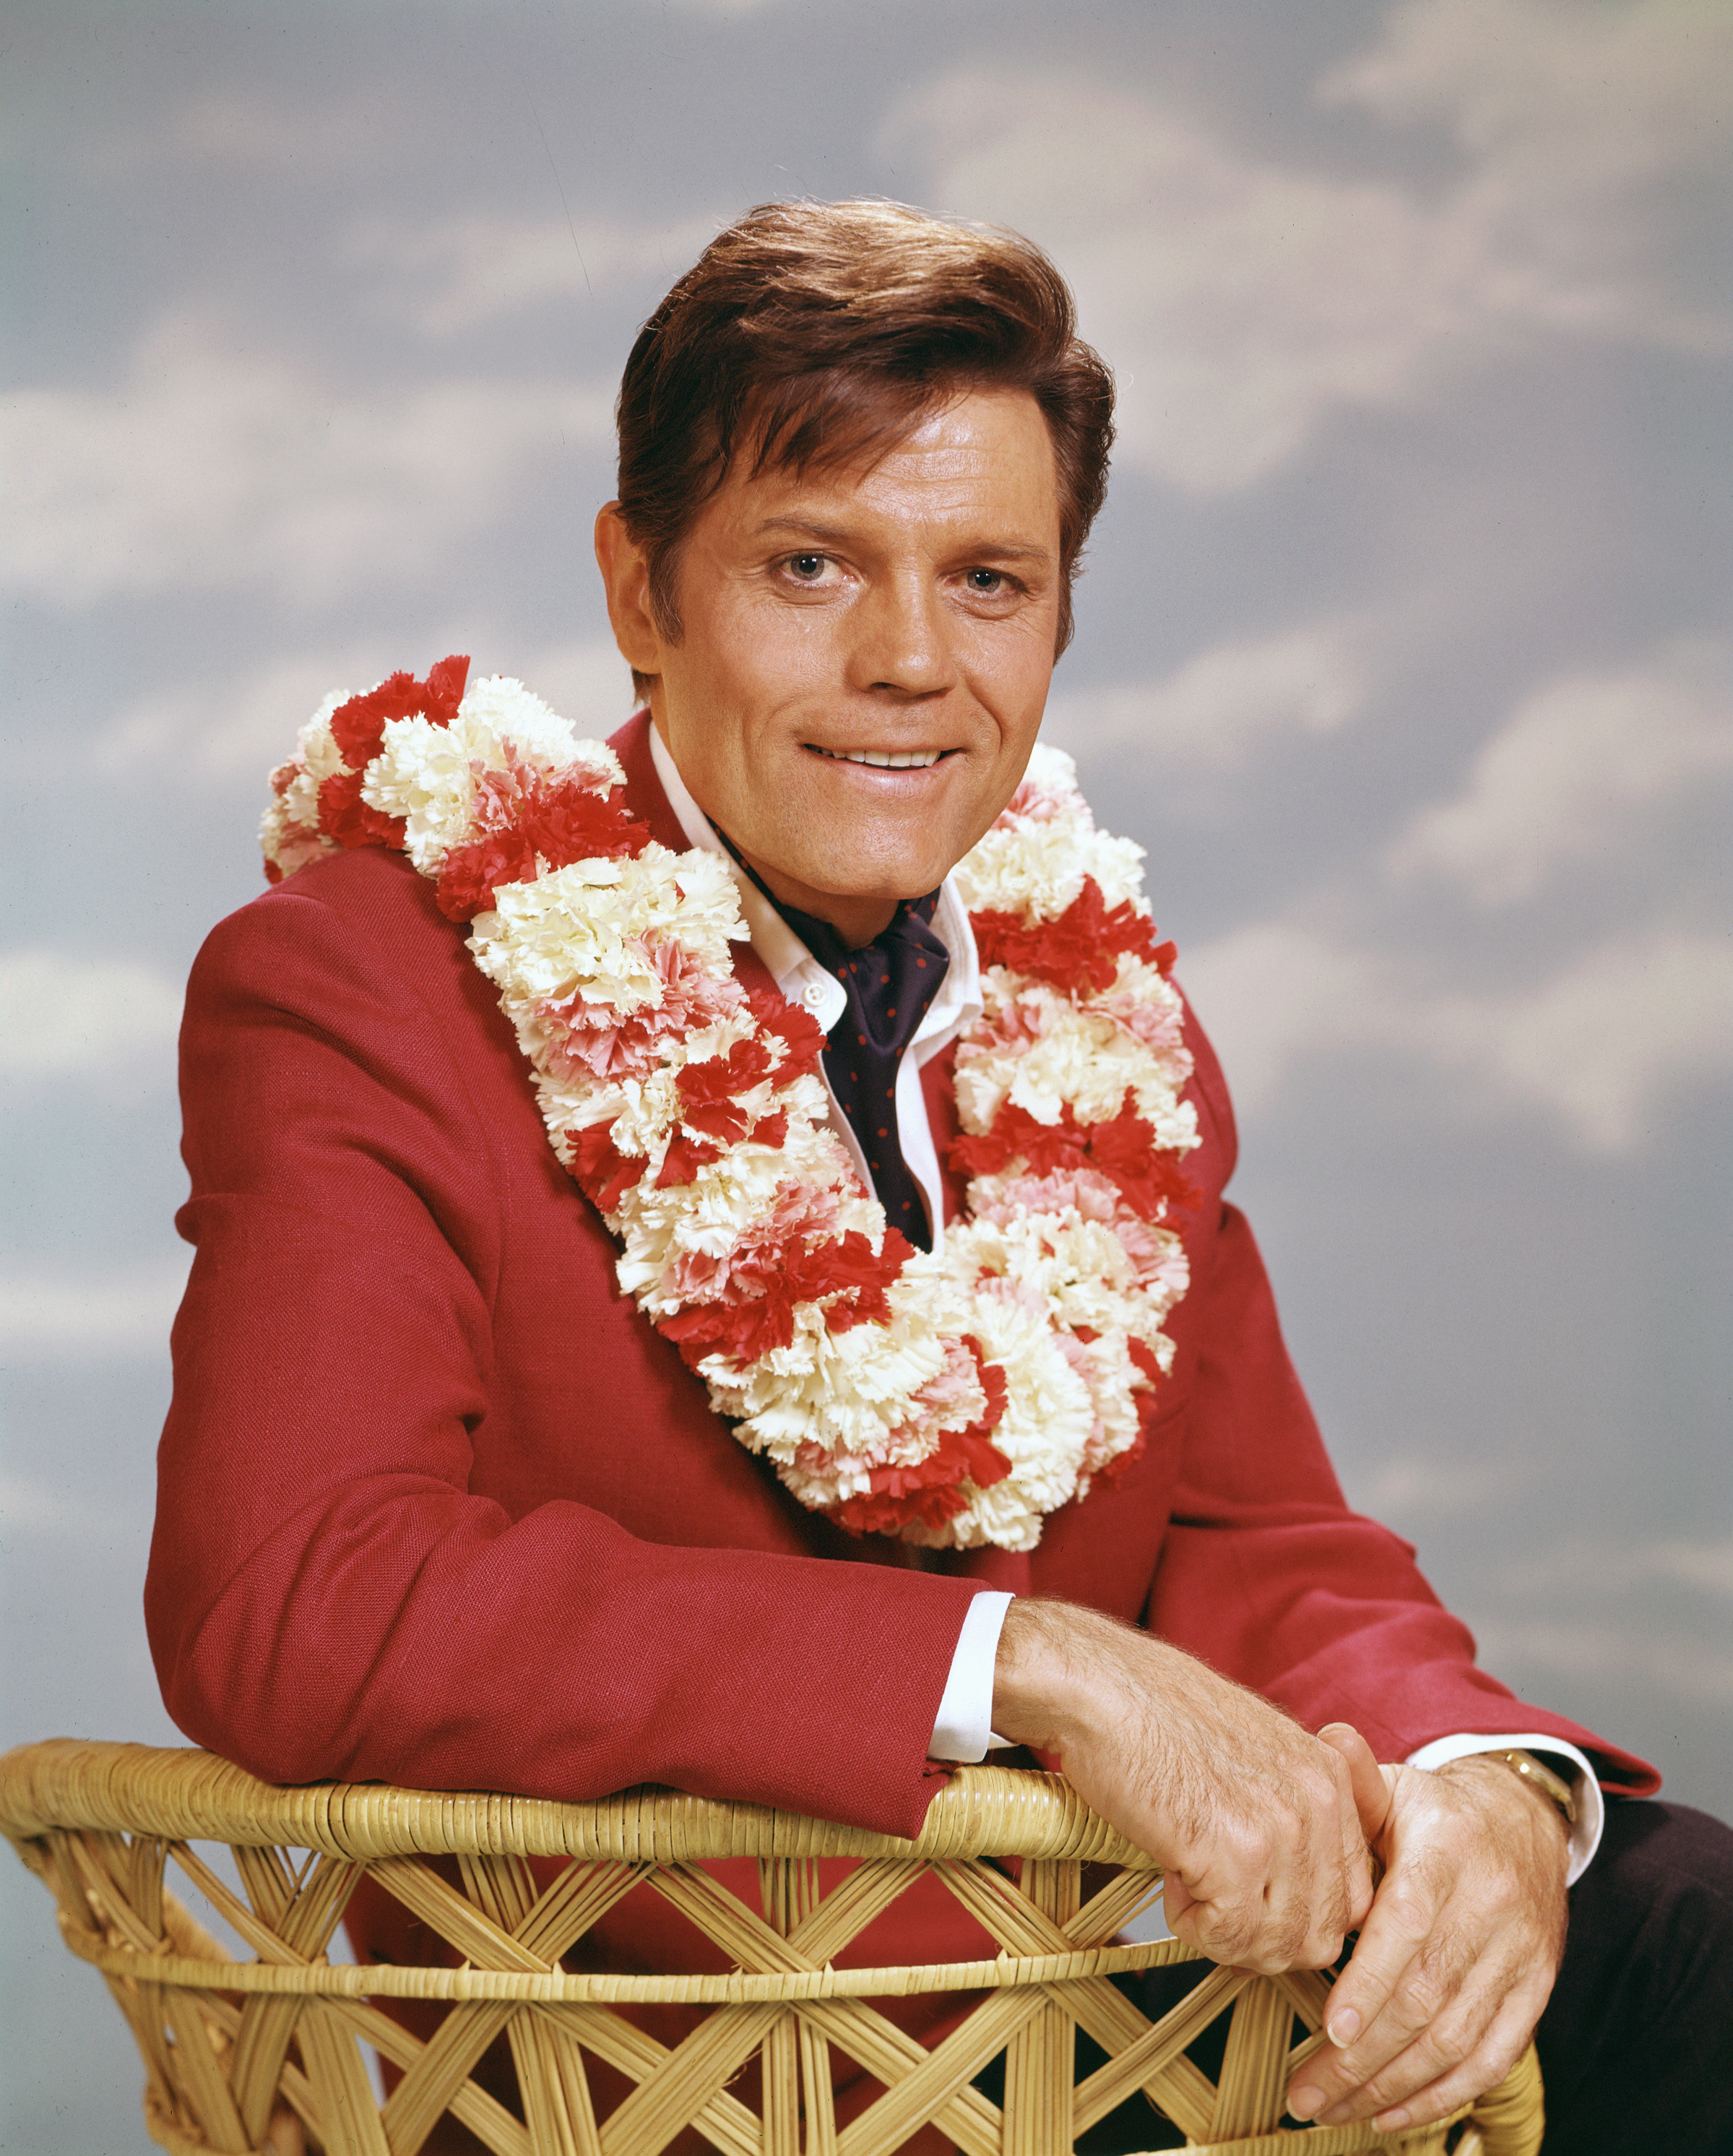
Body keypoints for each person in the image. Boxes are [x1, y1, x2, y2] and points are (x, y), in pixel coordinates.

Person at [147, 201, 1731, 2152]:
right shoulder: (364, 981)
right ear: (639, 595)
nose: (909, 661)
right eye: (808, 565)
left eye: (989, 580)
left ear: (1060, 618)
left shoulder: (1105, 1032)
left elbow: (1257, 1539)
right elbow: (298, 1597)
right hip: (654, 2076)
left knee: (1680, 1926)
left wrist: (1481, 1784)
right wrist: (1030, 1662)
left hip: (1076, 2020)